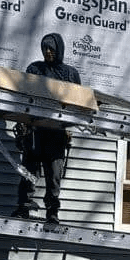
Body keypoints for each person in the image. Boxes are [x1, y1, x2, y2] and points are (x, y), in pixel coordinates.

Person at [12, 32, 81, 223]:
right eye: (45, 48)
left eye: (51, 48)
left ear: (59, 49)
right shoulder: (34, 69)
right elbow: (24, 97)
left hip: (57, 133)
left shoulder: (70, 74)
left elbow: (77, 104)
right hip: (35, 132)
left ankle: (52, 212)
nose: (48, 52)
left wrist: (68, 128)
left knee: (53, 176)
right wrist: (23, 125)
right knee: (29, 172)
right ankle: (23, 207)